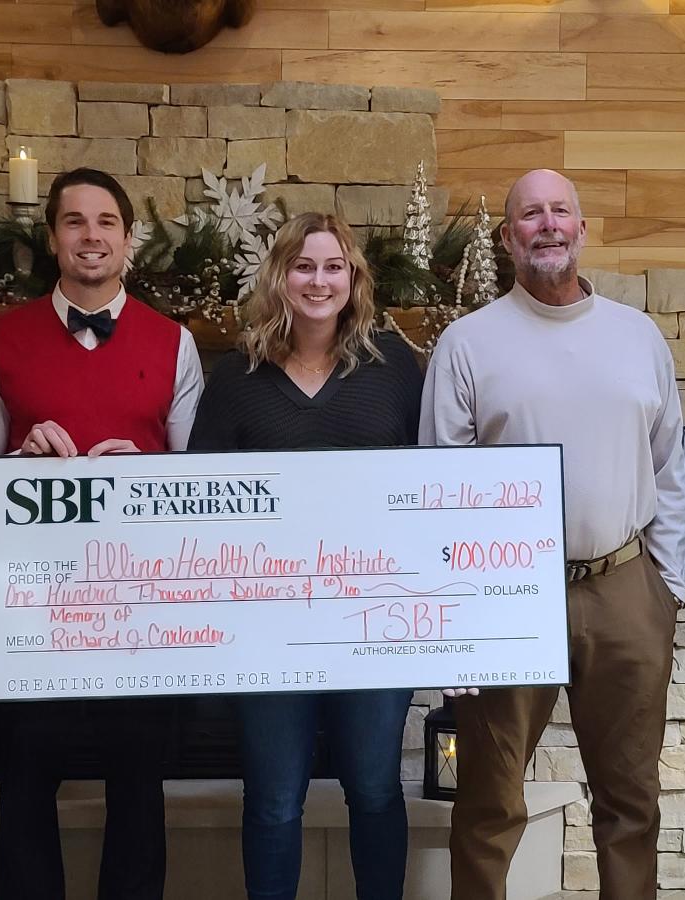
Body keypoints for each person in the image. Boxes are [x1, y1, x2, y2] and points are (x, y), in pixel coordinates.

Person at [421, 169, 685, 899]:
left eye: (560, 211)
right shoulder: (467, 344)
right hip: (508, 594)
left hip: (622, 586)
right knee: (488, 800)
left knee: (630, 801)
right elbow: (442, 487)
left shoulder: (637, 337)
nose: (547, 224)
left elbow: (669, 466)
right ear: (509, 238)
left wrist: (664, 588)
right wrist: (454, 616)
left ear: (581, 229)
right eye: (530, 214)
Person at [0, 167, 203, 900]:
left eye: (106, 222)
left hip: (141, 607)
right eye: (74, 221)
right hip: (34, 605)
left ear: (128, 240)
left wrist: (148, 471)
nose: (90, 236)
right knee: (27, 781)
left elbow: (195, 483)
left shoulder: (175, 342)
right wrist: (19, 463)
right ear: (52, 238)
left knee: (139, 784)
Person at [188, 212, 423, 900]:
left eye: (333, 267)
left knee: (375, 787)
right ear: (280, 276)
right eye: (304, 266)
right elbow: (201, 500)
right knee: (271, 797)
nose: (319, 281)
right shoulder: (237, 375)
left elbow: (432, 491)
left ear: (354, 280)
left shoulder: (393, 367)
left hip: (376, 623)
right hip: (268, 628)